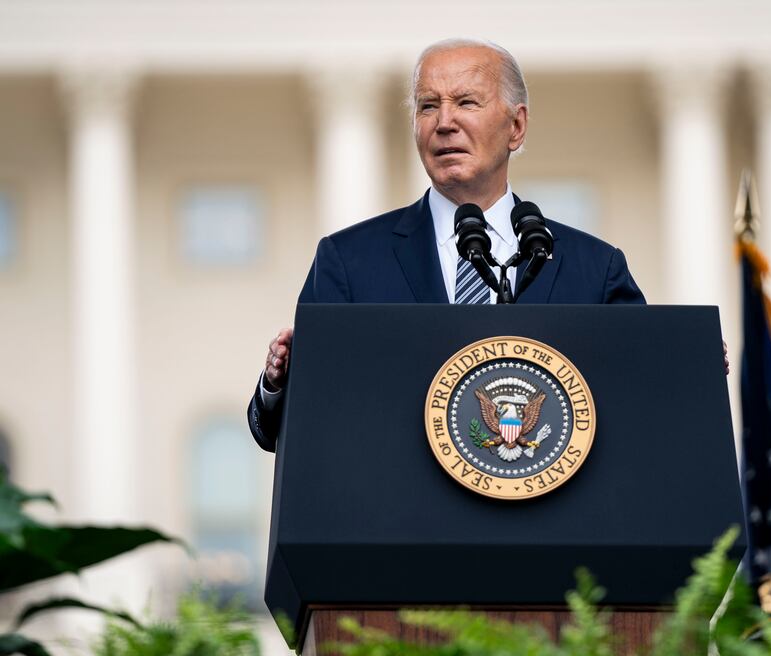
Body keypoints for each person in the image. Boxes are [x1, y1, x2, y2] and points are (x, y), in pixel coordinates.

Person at [248, 38, 647, 452]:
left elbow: (645, 398)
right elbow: (287, 430)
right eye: (427, 106)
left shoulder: (594, 269)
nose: (444, 123)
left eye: (467, 103)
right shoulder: (348, 261)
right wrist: (278, 384)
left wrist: (688, 365)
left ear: (516, 126)